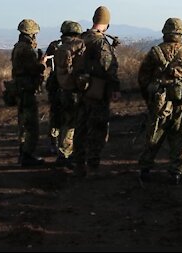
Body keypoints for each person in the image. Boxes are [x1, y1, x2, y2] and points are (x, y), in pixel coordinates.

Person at [138, 18, 182, 185]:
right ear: (181, 34)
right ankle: (176, 172)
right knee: (179, 136)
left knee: (154, 134)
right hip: (180, 101)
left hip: (159, 101)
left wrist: (149, 97)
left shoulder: (154, 52)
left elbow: (142, 78)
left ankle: (145, 169)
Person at [72, 6, 121, 176]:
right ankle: (92, 167)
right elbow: (108, 66)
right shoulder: (100, 42)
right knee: (97, 129)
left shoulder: (81, 38)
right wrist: (115, 87)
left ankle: (78, 164)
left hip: (81, 89)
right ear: (106, 23)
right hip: (98, 91)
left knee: (81, 127)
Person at [47, 21, 86, 168]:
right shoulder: (77, 47)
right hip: (72, 90)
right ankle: (65, 154)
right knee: (71, 123)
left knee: (58, 118)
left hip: (58, 88)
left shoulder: (57, 47)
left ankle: (55, 145)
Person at [11, 19, 47, 166]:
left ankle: (23, 154)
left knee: (23, 123)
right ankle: (27, 155)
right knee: (31, 125)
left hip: (21, 89)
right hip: (26, 90)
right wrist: (42, 63)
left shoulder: (18, 47)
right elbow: (33, 69)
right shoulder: (26, 49)